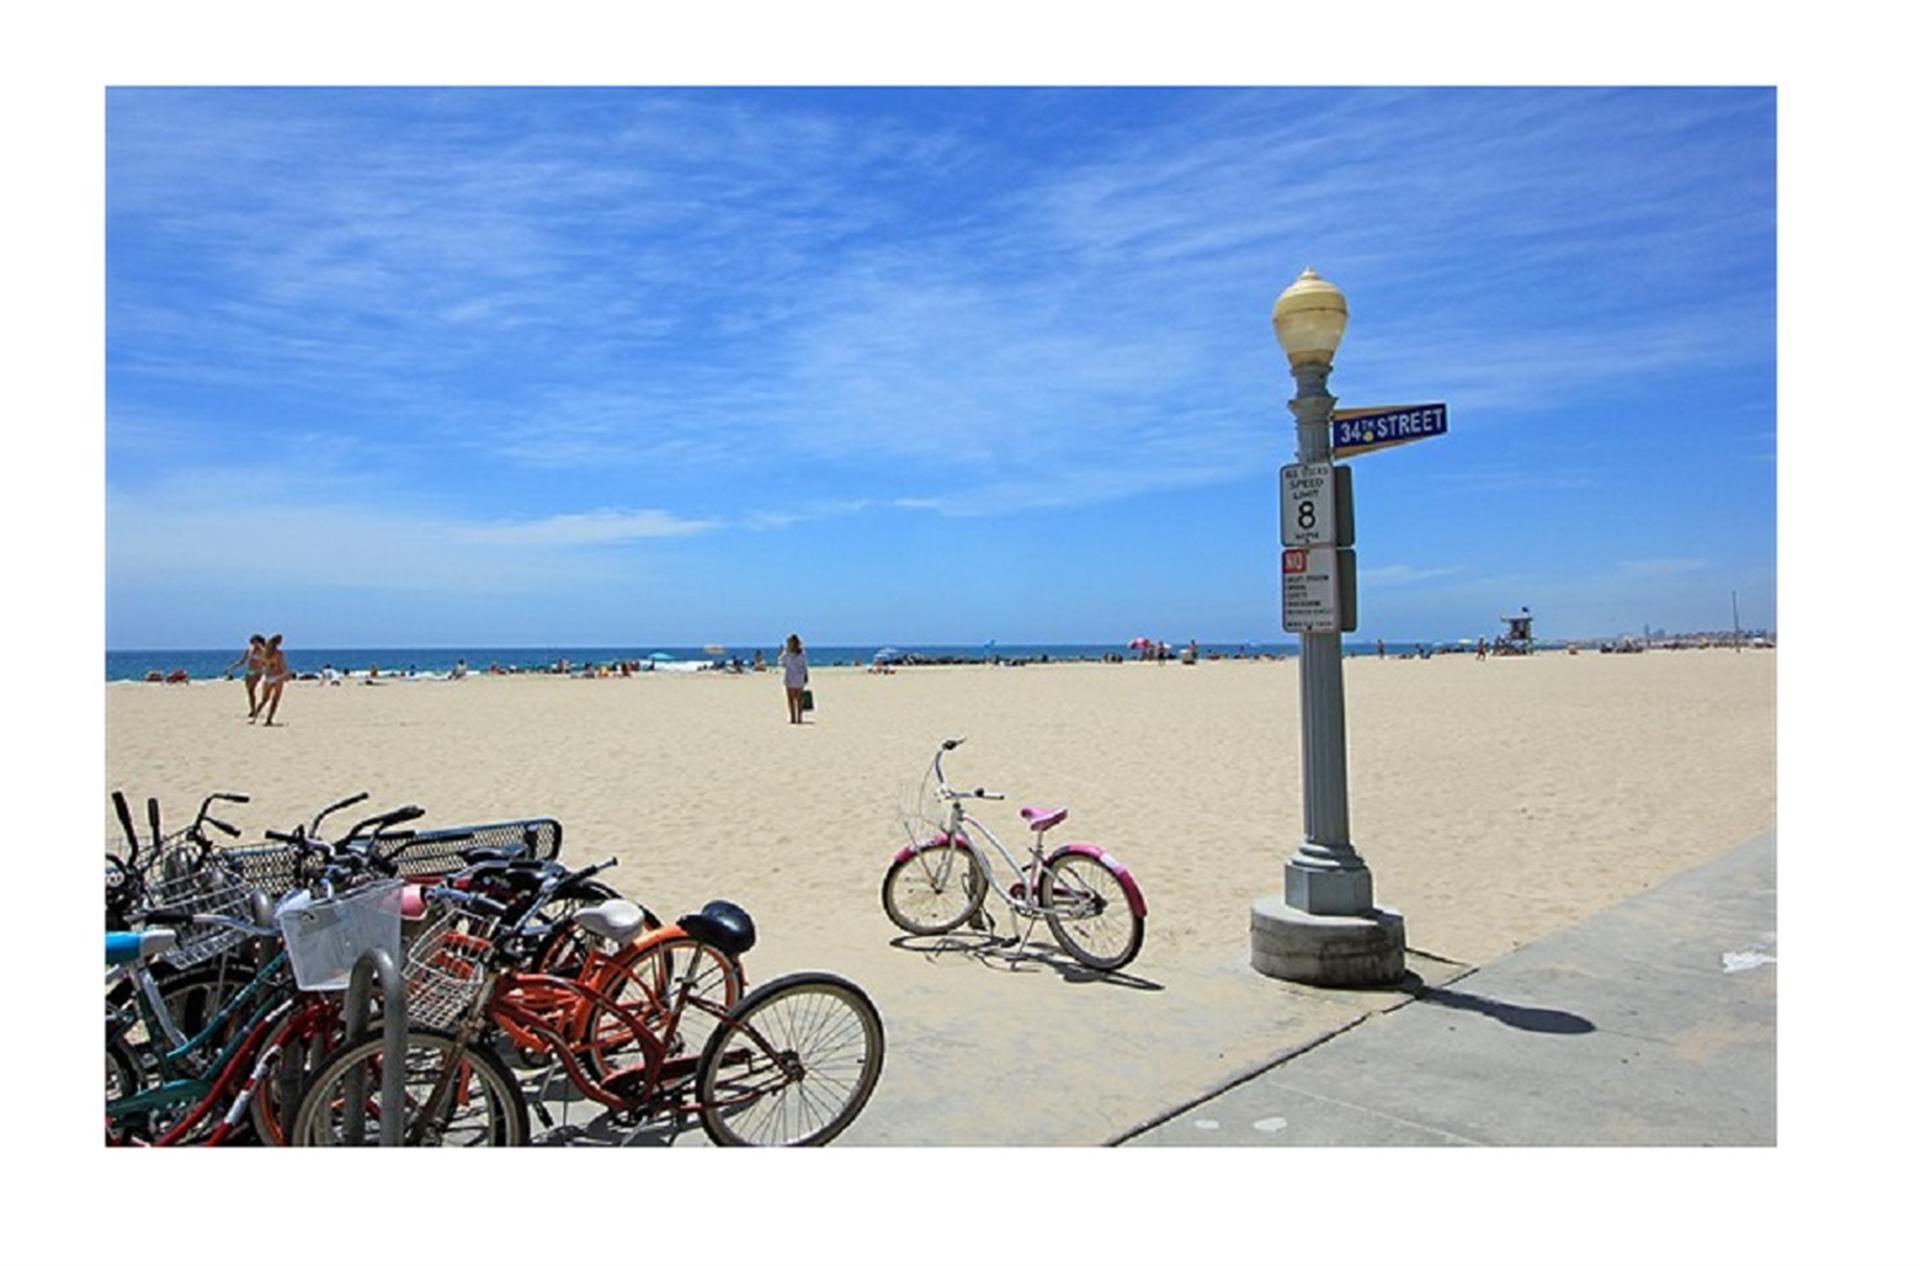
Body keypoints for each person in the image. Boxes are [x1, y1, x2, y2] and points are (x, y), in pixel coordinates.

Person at [224, 634, 267, 718]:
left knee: (252, 689)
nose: (254, 644)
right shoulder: (249, 651)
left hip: (258, 672)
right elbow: (242, 661)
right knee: (250, 691)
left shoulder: (263, 651)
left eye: (255, 642)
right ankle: (252, 709)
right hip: (250, 672)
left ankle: (254, 710)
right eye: (253, 642)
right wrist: (231, 667)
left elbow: (267, 663)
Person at [256, 634, 291, 726]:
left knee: (264, 699)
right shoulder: (278, 653)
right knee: (275, 700)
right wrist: (287, 675)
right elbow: (282, 666)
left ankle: (254, 717)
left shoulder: (264, 653)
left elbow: (263, 665)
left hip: (267, 677)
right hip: (277, 677)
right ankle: (269, 720)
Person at [777, 633, 809, 725]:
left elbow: (781, 663)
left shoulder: (787, 653)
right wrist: (806, 675)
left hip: (792, 677)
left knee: (794, 699)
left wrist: (780, 653)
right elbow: (804, 665)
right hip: (796, 677)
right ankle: (797, 718)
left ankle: (795, 718)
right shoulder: (800, 653)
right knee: (797, 699)